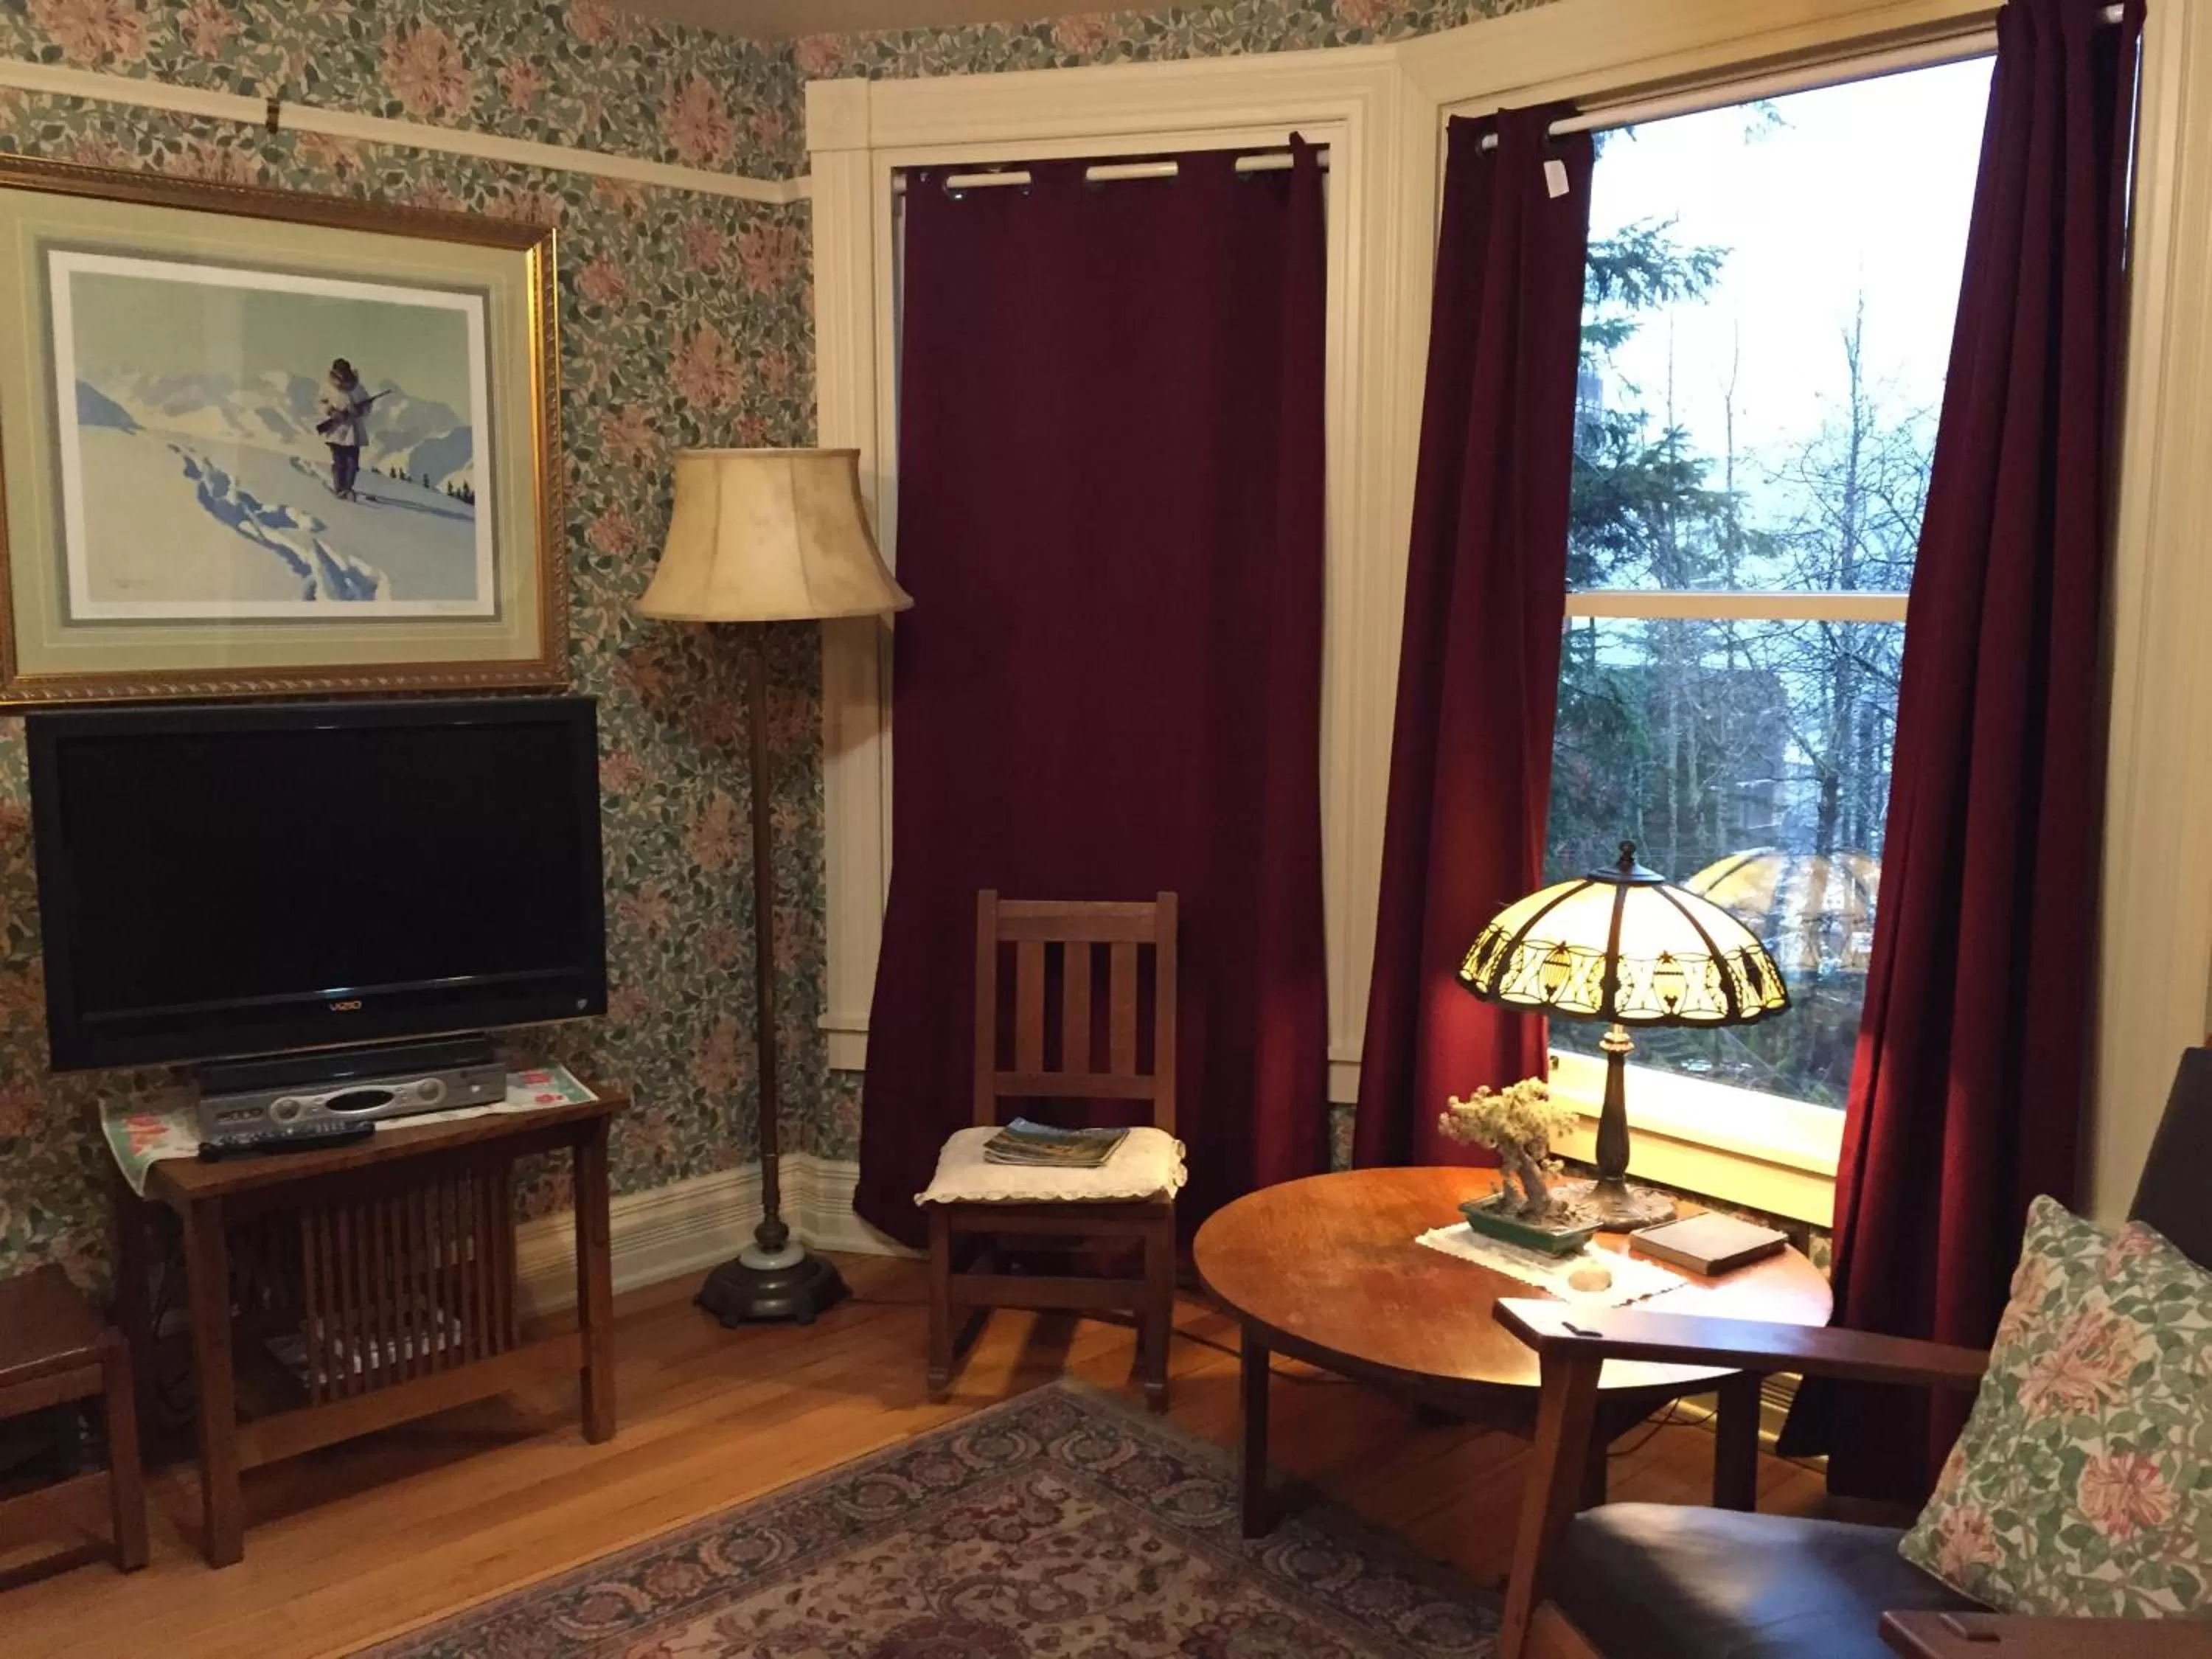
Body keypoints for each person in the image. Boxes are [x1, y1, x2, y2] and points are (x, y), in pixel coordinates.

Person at [316, 358, 375, 500]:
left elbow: (367, 405)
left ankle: (347, 488)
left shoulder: (358, 387)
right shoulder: (328, 387)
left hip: (353, 432)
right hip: (336, 431)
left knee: (352, 464)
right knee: (340, 462)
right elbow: (320, 403)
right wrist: (332, 412)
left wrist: (359, 412)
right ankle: (340, 488)